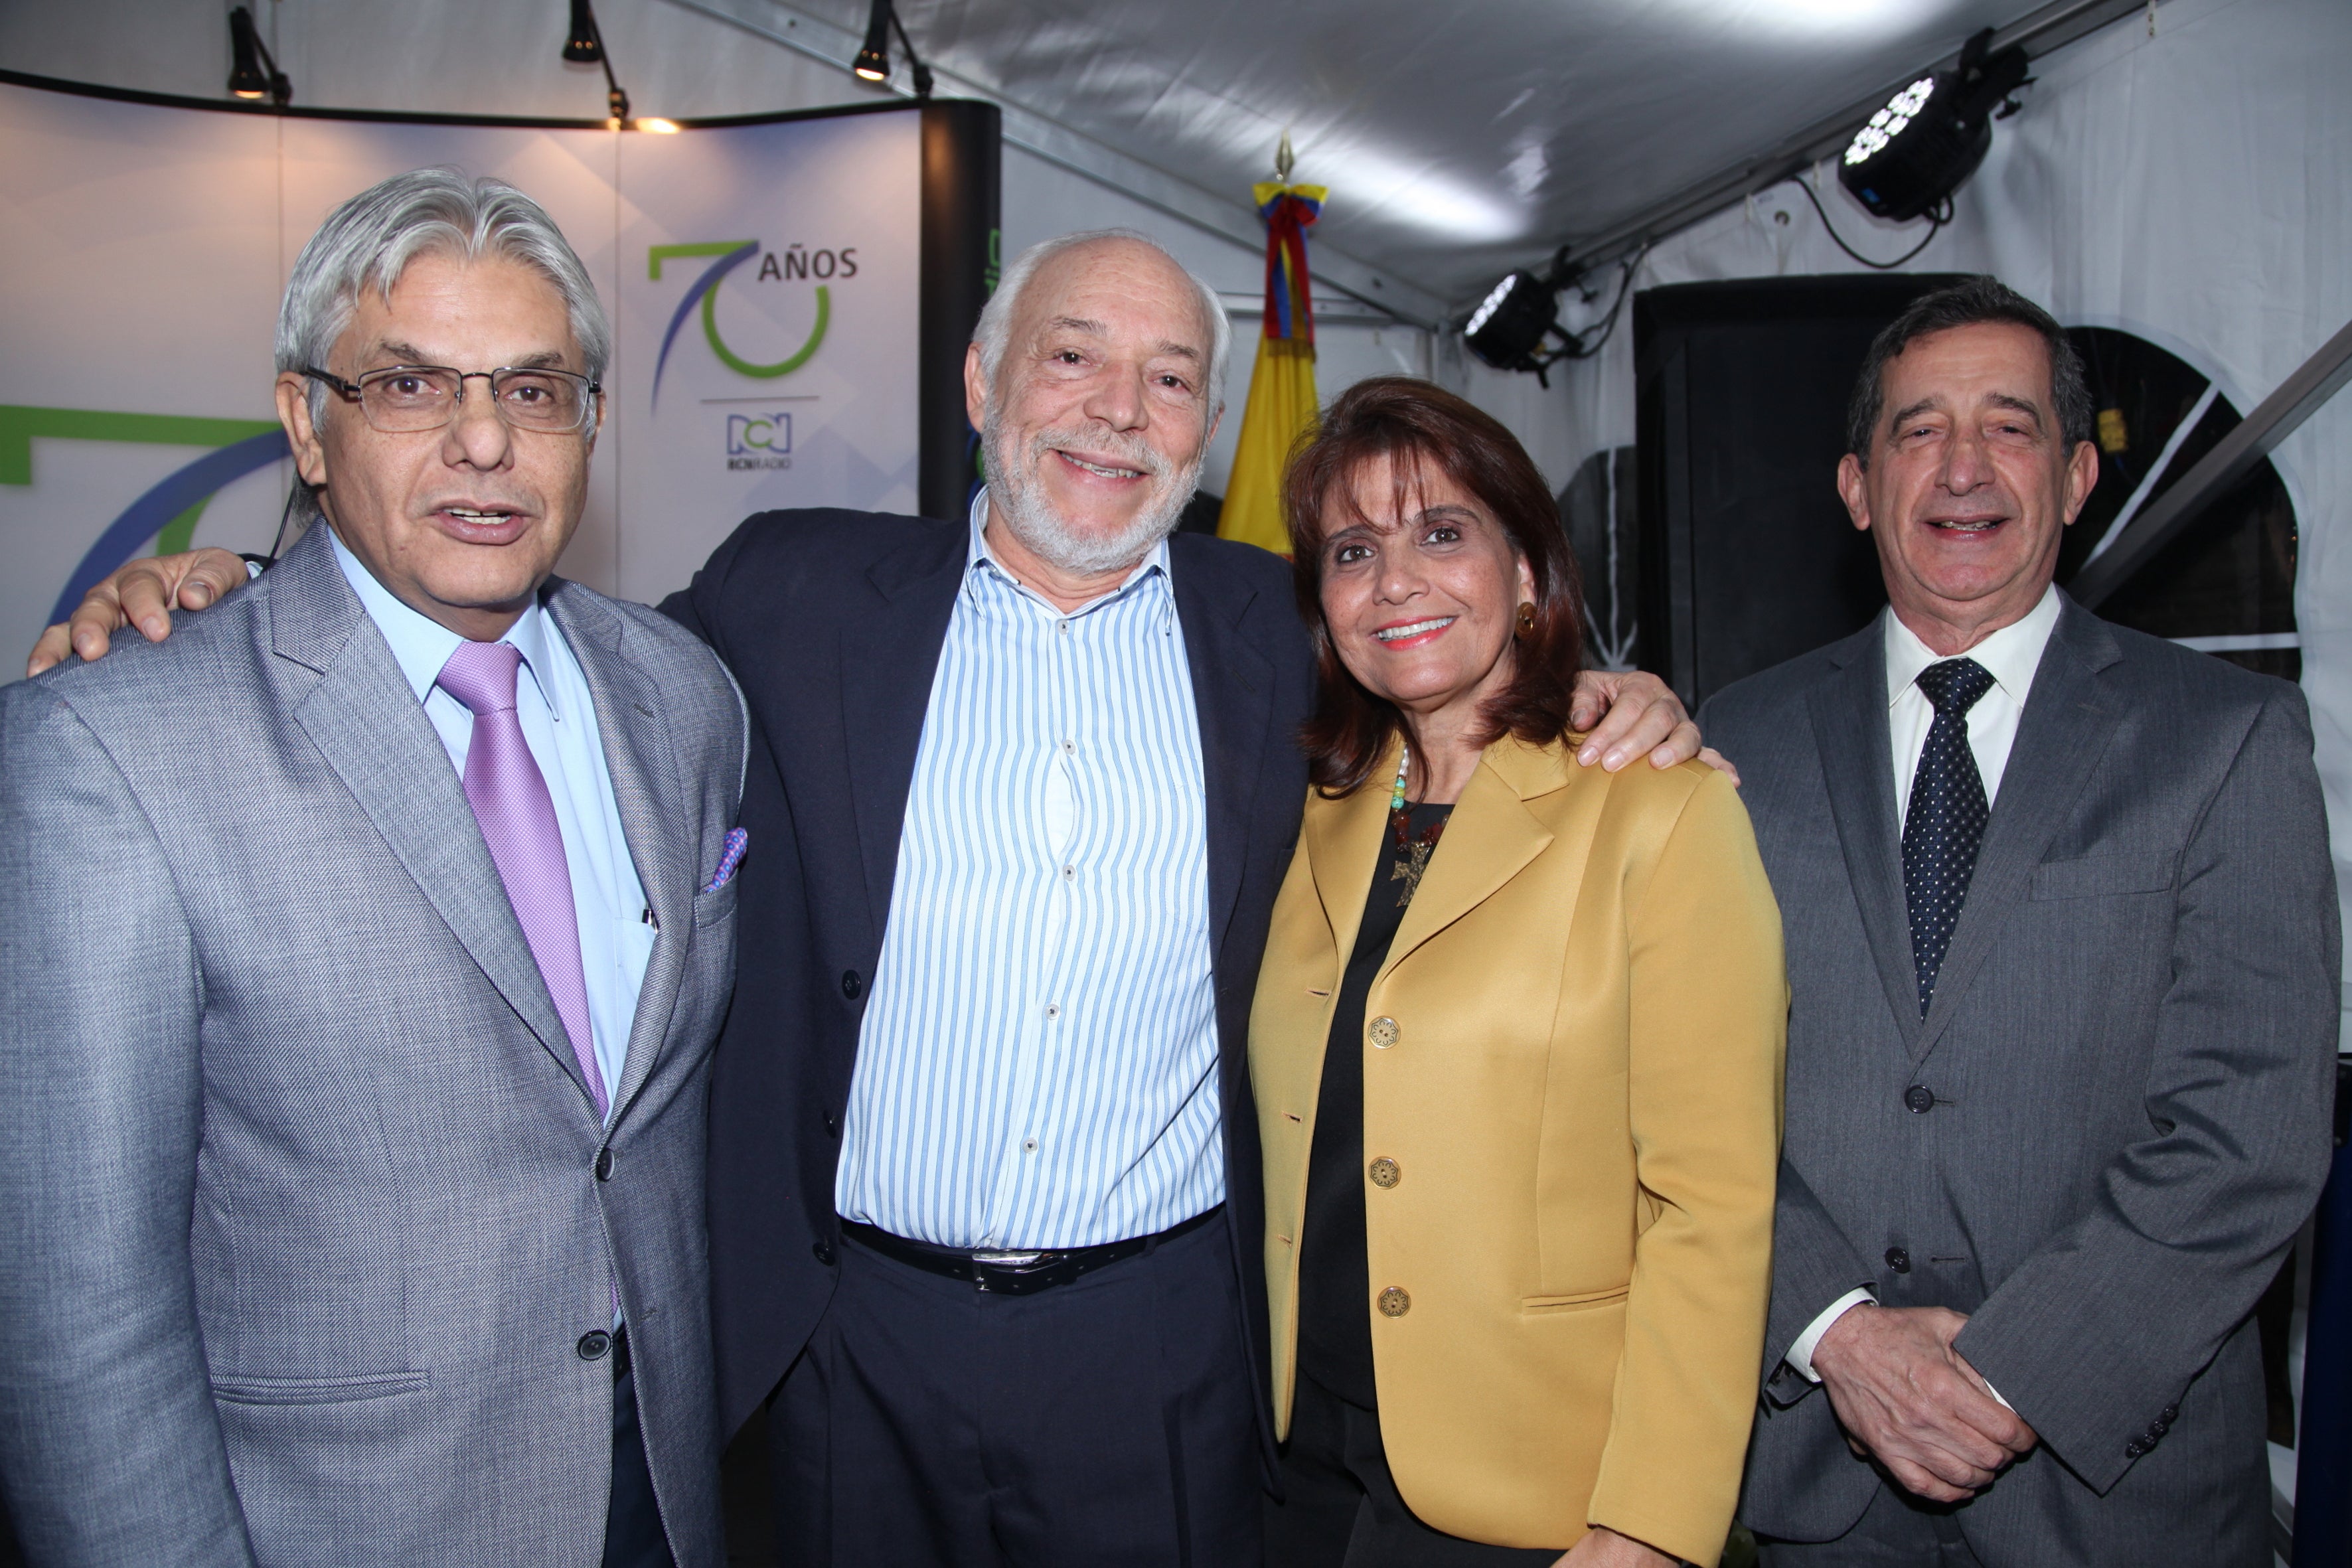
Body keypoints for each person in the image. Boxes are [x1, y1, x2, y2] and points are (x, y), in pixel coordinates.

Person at [31, 226, 1705, 1564]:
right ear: (982, 378)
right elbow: (520, 647)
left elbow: (1458, 676)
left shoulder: (1284, 630)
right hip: (854, 1342)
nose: (1117, 411)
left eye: (1168, 378)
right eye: (1072, 355)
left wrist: (1598, 696)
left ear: (1205, 429)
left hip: (1164, 1346)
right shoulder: (793, 590)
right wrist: (237, 590)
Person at [0, 171, 745, 1566]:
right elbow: (75, 1318)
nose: (486, 441)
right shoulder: (110, 747)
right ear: (306, 423)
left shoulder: (682, 697)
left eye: (534, 390)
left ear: (589, 421)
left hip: (660, 1491)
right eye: (409, 386)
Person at [1704, 277, 2339, 1565]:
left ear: (2075, 475)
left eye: (2007, 426)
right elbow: (1682, 1089)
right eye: (1918, 430)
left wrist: (2017, 1373)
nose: (1961, 467)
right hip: (1821, 1475)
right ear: (1856, 485)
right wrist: (1837, 1331)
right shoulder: (1734, 740)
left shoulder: (2227, 738)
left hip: (2118, 1488)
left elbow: (2252, 1121)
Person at [1251, 378, 1786, 1568]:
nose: (1396, 580)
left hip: (1540, 1494)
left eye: (1442, 532)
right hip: (1302, 1469)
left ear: (1529, 572)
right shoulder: (1315, 815)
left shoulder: (1662, 814)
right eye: (1354, 550)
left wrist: (1652, 1521)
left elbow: (1713, 1205)